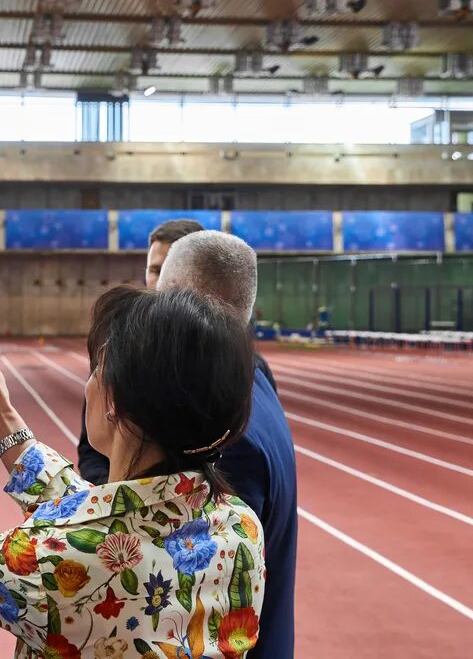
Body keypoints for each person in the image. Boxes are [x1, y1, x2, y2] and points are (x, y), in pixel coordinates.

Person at [0, 288, 265, 659]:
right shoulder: (240, 527)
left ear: (114, 400)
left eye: (96, 370)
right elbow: (100, 514)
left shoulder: (65, 558)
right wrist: (0, 419)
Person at [158, 231, 297, 659]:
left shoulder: (225, 437)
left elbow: (199, 596)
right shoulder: (249, 383)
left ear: (188, 304)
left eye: (160, 299)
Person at [78, 218, 204, 483]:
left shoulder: (220, 366)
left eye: (173, 271)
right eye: (155, 270)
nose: (161, 283)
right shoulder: (116, 347)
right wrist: (114, 504)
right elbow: (90, 453)